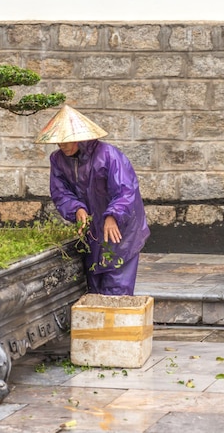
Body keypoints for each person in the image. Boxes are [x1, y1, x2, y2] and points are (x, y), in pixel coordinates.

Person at [35, 105, 150, 296]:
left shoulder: (109, 156)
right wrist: (77, 209)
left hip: (121, 230)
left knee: (116, 287)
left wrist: (113, 215)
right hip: (92, 231)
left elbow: (125, 191)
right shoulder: (58, 160)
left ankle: (115, 326)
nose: (62, 146)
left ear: (80, 138)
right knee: (94, 286)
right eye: (59, 141)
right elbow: (60, 192)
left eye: (67, 141)